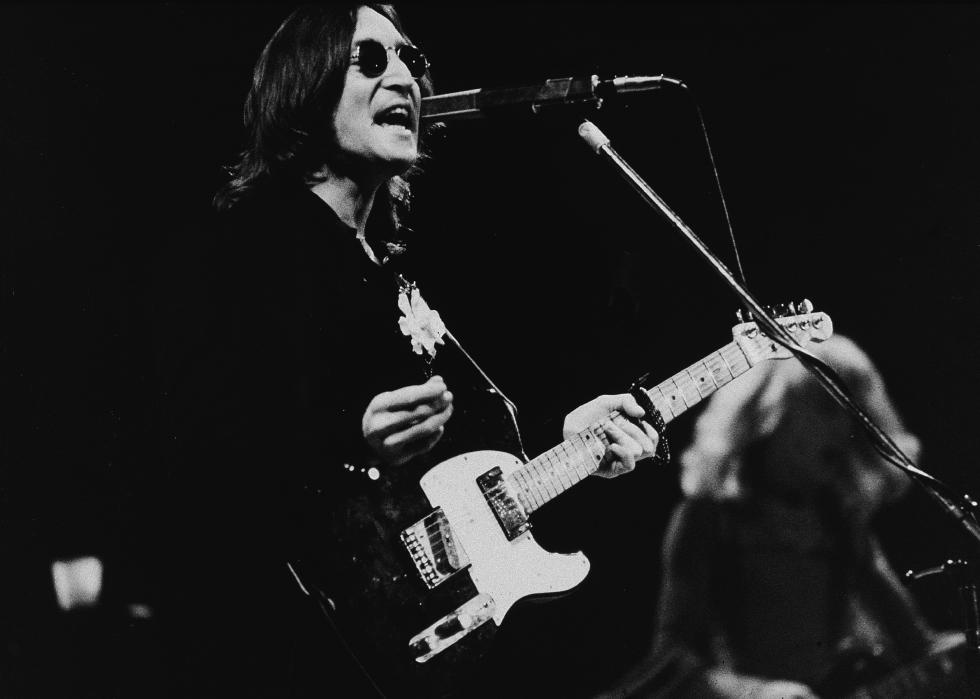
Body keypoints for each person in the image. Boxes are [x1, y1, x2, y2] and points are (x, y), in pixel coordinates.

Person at [150, 4, 659, 697]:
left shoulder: (379, 267)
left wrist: (565, 441)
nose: (406, 80)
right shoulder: (258, 243)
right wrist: (350, 441)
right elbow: (194, 456)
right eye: (371, 60)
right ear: (306, 84)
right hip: (289, 644)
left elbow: (462, 461)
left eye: (413, 62)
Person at [601, 334, 965, 698]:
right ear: (771, 412)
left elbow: (916, 645)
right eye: (826, 407)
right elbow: (670, 660)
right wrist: (757, 693)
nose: (842, 427)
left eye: (851, 409)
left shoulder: (840, 521)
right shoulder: (709, 518)